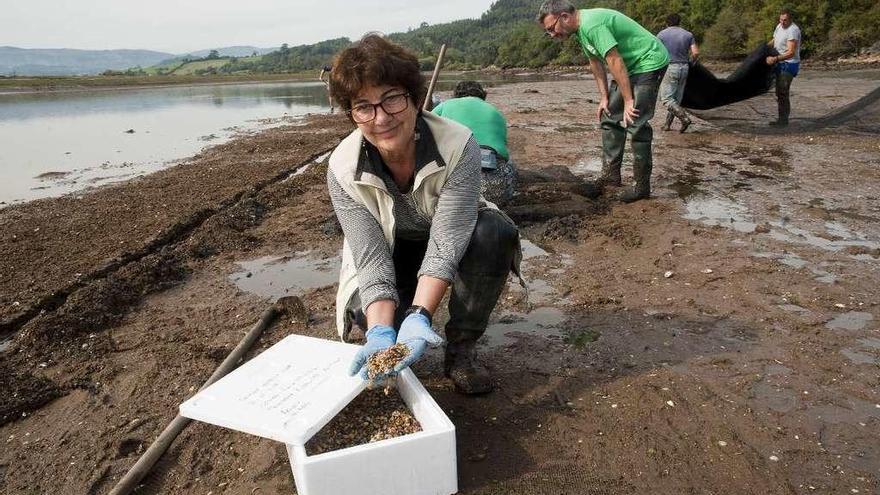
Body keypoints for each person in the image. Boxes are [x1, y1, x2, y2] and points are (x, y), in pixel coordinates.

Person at [326, 35, 521, 395]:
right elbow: (369, 255)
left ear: (415, 99)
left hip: (448, 236)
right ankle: (388, 330)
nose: (380, 118)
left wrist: (420, 315)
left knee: (493, 232)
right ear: (352, 114)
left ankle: (461, 348)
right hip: (391, 246)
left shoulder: (458, 144)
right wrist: (382, 329)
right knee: (368, 315)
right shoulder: (342, 168)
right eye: (363, 106)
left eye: (392, 99)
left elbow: (446, 243)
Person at [538, 1, 669, 202]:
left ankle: (641, 187)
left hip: (648, 61)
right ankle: (611, 175)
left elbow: (614, 60)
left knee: (635, 120)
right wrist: (604, 98)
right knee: (609, 116)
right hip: (630, 66)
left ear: (564, 17)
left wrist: (628, 100)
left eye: (551, 28)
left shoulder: (592, 25)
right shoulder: (580, 30)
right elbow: (595, 61)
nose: (552, 34)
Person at [432, 80, 518, 206]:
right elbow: (504, 153)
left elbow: (422, 128)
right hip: (496, 191)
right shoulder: (496, 112)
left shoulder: (446, 105)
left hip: (453, 192)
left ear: (455, 95)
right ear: (484, 95)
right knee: (509, 163)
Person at [657, 13, 699, 133]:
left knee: (667, 99)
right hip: (684, 68)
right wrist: (692, 62)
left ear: (667, 22)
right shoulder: (688, 34)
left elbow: (657, 51)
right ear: (679, 22)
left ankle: (684, 118)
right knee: (676, 100)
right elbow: (695, 53)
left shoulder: (662, 34)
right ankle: (667, 125)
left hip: (670, 67)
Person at [766, 9, 801, 127]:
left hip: (789, 64)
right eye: (781, 19)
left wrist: (775, 59)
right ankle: (782, 119)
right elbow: (774, 40)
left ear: (790, 19)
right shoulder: (779, 26)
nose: (782, 22)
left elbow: (791, 52)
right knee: (779, 91)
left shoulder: (793, 30)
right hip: (780, 62)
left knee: (782, 91)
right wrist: (764, 49)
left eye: (785, 20)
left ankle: (783, 121)